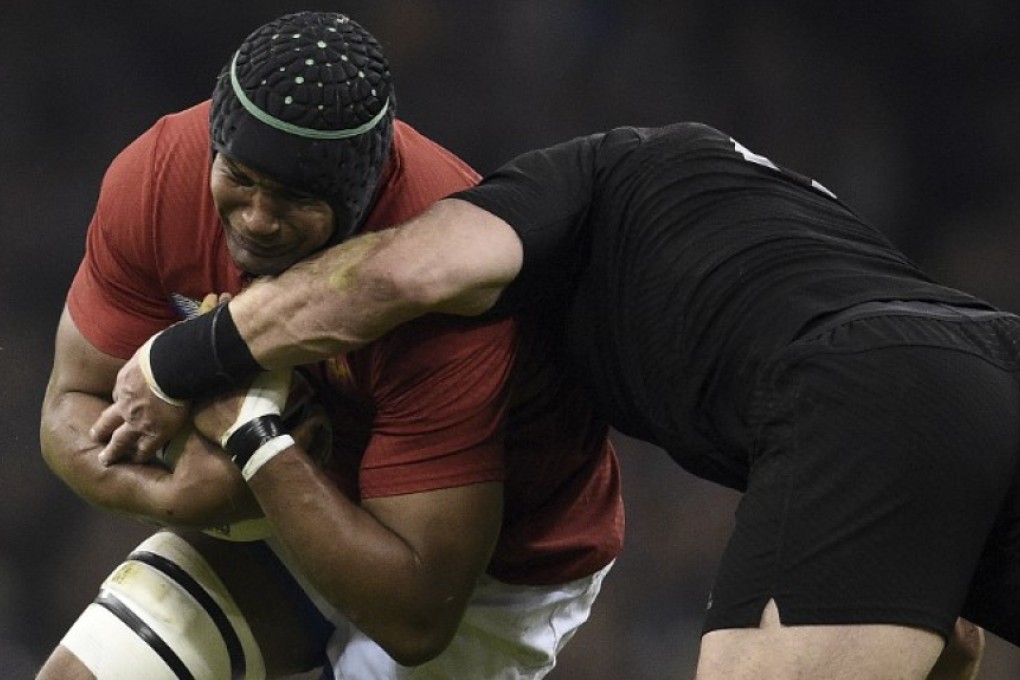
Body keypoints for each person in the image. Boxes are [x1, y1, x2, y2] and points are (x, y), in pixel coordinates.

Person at [93, 119, 1011, 680]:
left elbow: (401, 274)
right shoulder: (771, 205)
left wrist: (181, 361)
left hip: (867, 386)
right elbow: (946, 636)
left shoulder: (590, 176)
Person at [38, 11, 623, 680]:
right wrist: (179, 498)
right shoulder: (164, 171)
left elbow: (416, 619)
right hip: (288, 521)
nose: (257, 218)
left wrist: (256, 442)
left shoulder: (447, 283)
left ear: (362, 193)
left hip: (488, 576)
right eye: (243, 178)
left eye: (294, 197)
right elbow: (70, 408)